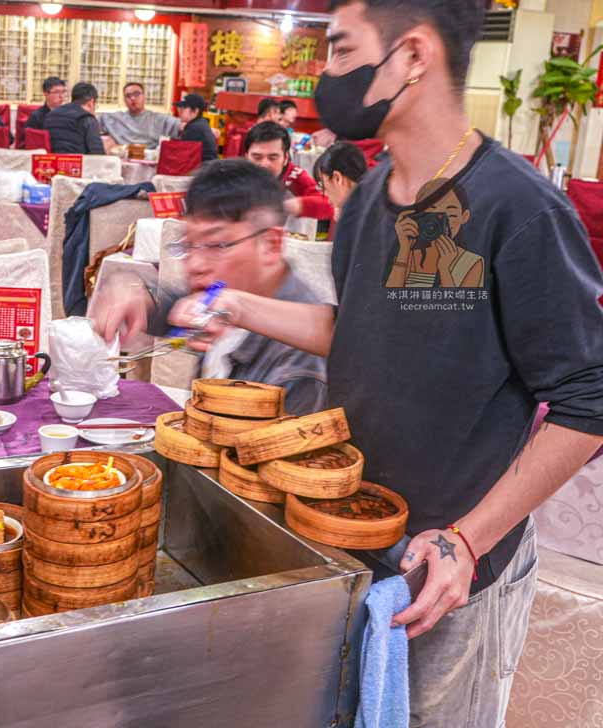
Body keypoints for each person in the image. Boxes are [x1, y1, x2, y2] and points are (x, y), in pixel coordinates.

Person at [133, 1, 603, 725]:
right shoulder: (369, 203)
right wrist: (230, 301)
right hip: (360, 527)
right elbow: (352, 329)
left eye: (342, 50)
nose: (325, 75)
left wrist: (467, 540)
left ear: (413, 56)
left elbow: (588, 399)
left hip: (456, 559)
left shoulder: (518, 207)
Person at [91, 159, 327, 414]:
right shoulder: (232, 298)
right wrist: (139, 294)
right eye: (188, 244)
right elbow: (183, 310)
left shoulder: (297, 367)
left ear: (270, 244)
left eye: (216, 245)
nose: (195, 265)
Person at [244, 122, 334, 220]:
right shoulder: (236, 173)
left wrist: (290, 206)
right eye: (257, 157)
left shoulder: (294, 176)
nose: (264, 164)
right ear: (246, 156)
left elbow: (329, 204)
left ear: (286, 158)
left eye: (273, 158)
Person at [100, 82, 181, 150]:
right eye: (128, 96)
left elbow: (184, 126)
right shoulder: (113, 119)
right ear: (124, 100)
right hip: (122, 159)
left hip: (148, 160)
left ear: (144, 96)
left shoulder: (158, 118)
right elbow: (90, 122)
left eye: (136, 94)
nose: (132, 98)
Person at [45, 82, 105, 155]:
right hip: (78, 164)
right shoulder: (87, 119)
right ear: (91, 102)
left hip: (52, 163)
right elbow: (97, 154)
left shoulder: (51, 114)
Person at [313, 140, 368, 210]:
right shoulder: (372, 198)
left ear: (337, 178)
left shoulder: (362, 215)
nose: (324, 194)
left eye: (323, 187)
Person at [175, 93, 218, 163]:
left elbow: (182, 156)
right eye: (179, 107)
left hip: (203, 171)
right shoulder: (200, 123)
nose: (180, 110)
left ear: (195, 111)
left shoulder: (194, 128)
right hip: (206, 168)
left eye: (184, 107)